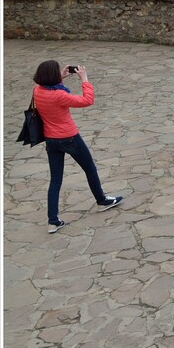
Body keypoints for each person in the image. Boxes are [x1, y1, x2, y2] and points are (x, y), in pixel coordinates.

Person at [32, 60, 123, 233]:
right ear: (52, 76)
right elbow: (87, 100)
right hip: (69, 138)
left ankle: (53, 221)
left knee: (55, 180)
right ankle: (102, 201)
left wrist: (61, 78)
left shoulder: (37, 91)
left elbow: (50, 88)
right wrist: (84, 79)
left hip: (51, 141)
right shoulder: (60, 95)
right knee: (90, 169)